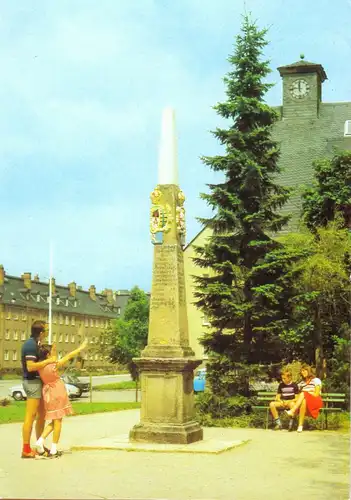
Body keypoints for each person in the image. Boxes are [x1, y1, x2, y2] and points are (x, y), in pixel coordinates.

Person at [34, 339, 88, 457]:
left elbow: (49, 354)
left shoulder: (40, 366)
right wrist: (80, 348)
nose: (54, 354)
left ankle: (40, 440)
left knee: (54, 420)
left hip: (48, 392)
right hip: (57, 391)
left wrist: (52, 347)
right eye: (52, 352)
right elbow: (69, 356)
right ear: (48, 355)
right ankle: (53, 448)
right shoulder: (53, 365)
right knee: (58, 421)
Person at [21, 320, 56, 459]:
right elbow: (30, 366)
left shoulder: (38, 344)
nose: (47, 333)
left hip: (39, 382)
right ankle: (26, 449)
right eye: (46, 331)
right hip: (32, 382)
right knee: (31, 415)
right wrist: (47, 361)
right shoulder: (30, 345)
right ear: (41, 333)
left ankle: (39, 446)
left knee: (41, 415)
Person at [285, 364, 323, 432]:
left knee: (303, 394)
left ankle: (293, 411)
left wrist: (307, 392)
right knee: (302, 401)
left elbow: (316, 394)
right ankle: (300, 426)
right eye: (301, 371)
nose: (302, 372)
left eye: (304, 370)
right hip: (305, 400)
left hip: (315, 400)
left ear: (309, 371)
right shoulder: (302, 383)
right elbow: (298, 394)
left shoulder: (316, 380)